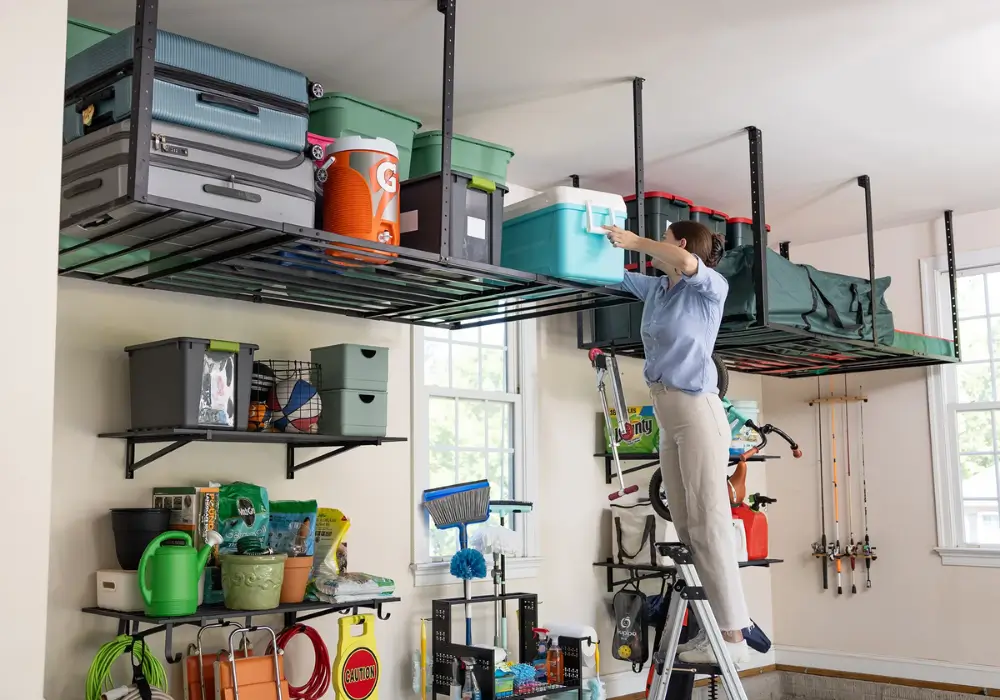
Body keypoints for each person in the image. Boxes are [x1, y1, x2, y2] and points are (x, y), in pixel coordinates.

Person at [603, 220, 765, 665]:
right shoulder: (657, 290)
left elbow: (687, 264)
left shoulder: (710, 288)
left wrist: (635, 241)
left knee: (710, 520)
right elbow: (605, 273)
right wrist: (595, 235)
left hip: (698, 412)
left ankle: (734, 635)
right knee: (687, 525)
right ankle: (713, 626)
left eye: (663, 238)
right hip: (666, 412)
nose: (655, 245)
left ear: (677, 243)